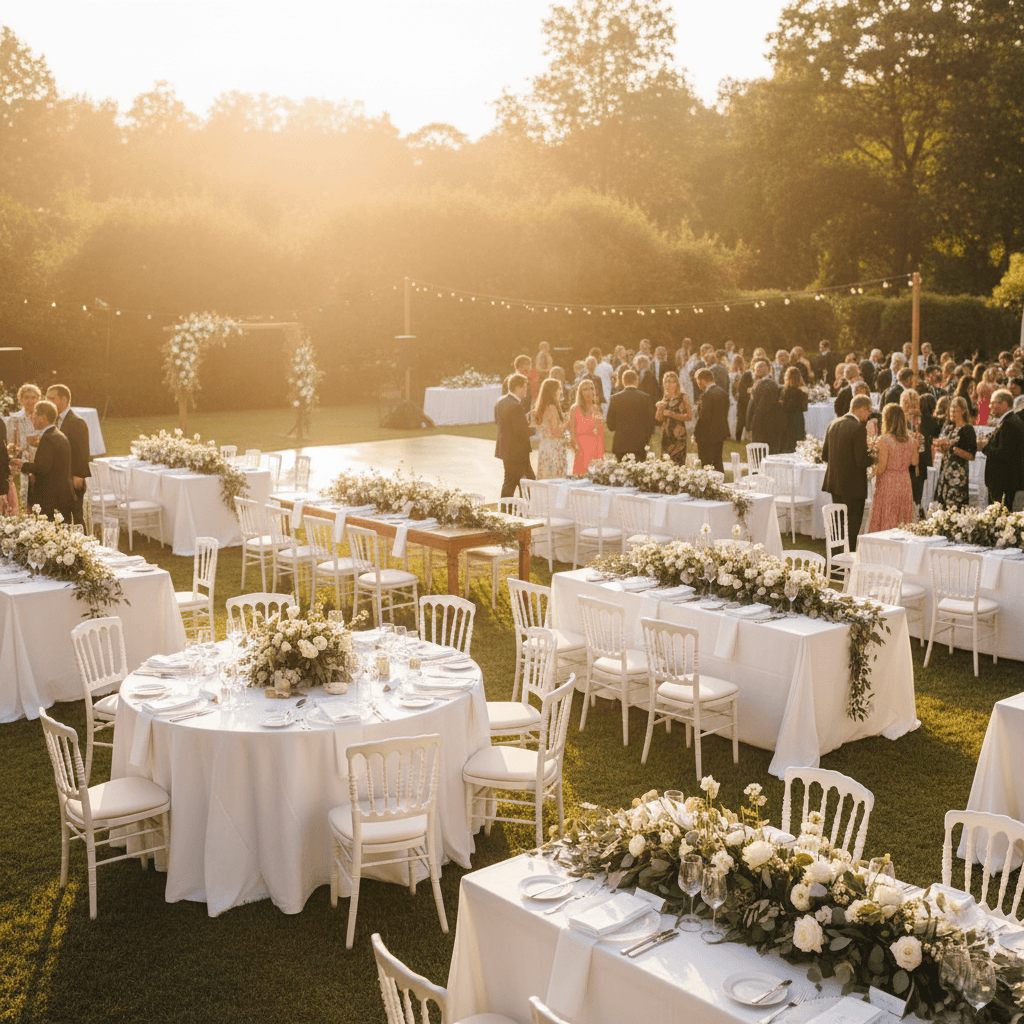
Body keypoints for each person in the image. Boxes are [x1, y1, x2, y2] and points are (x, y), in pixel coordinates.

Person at [9, 400, 75, 523]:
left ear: (43, 417)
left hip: (51, 496)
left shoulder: (48, 438)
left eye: (34, 415)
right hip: (62, 493)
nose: (32, 419)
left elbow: (43, 468)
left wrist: (23, 465)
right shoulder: (59, 435)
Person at [821, 394, 873, 550]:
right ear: (863, 409)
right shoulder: (858, 428)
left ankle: (836, 555)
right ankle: (848, 558)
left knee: (838, 523)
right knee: (852, 524)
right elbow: (861, 461)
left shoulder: (833, 423)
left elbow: (824, 456)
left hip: (834, 482)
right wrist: (874, 455)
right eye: (869, 411)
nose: (869, 415)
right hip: (853, 485)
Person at [868, 404, 919, 532]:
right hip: (904, 480)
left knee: (887, 513)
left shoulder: (884, 440)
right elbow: (914, 461)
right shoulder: (911, 440)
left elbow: (882, 466)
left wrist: (871, 473)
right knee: (902, 514)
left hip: (888, 481)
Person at [46, 384, 91, 525]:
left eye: (52, 398)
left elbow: (83, 452)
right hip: (57, 479)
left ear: (64, 399)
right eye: (47, 398)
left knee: (75, 518)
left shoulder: (76, 422)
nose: (48, 402)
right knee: (60, 518)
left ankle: (82, 544)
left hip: (72, 479)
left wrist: (78, 476)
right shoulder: (53, 421)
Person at [494, 373, 535, 498]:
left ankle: (517, 508)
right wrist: (535, 428)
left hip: (506, 449)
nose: (526, 389)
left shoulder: (500, 401)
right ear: (517, 388)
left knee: (517, 481)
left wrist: (524, 419)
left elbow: (502, 423)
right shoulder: (516, 406)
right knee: (517, 482)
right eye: (524, 386)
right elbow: (521, 431)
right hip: (517, 451)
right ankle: (512, 510)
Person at [932, 396, 977, 510]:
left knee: (955, 505)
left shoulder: (967, 429)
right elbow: (945, 450)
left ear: (963, 411)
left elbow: (971, 456)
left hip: (958, 474)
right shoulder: (949, 427)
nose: (952, 413)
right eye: (951, 411)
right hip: (945, 471)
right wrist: (941, 446)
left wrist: (952, 448)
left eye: (955, 411)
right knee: (942, 504)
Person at [983, 389, 1024, 509]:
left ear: (1004, 404)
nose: (990, 406)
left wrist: (985, 447)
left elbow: (1003, 454)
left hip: (1004, 482)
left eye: (993, 402)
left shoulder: (1009, 423)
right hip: (1003, 482)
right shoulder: (1009, 421)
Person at [606, 369, 655, 463]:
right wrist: (646, 439)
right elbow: (650, 424)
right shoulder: (645, 398)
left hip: (621, 444)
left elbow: (610, 425)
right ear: (636, 381)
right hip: (639, 444)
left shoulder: (615, 398)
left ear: (623, 381)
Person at [569, 379, 606, 475]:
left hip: (595, 447)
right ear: (580, 393)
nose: (589, 392)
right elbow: (572, 431)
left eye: (591, 388)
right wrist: (576, 448)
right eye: (585, 389)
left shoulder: (597, 409)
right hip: (581, 449)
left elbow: (600, 434)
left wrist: (601, 455)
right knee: (581, 477)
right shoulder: (575, 408)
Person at [533, 378, 568, 479]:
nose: (561, 391)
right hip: (554, 448)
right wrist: (568, 423)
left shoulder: (541, 407)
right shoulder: (552, 408)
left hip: (544, 445)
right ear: (553, 391)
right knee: (555, 479)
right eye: (559, 389)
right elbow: (555, 433)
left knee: (545, 477)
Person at [746, 360, 783, 453]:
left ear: (768, 369)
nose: (758, 368)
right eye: (756, 367)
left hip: (764, 426)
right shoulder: (759, 383)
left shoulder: (769, 384)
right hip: (758, 424)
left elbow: (763, 407)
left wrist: (754, 423)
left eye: (761, 366)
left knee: (762, 454)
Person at [655, 371, 691, 465]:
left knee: (678, 463)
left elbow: (689, 416)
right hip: (666, 435)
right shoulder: (665, 399)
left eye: (671, 381)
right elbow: (658, 419)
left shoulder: (683, 397)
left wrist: (671, 414)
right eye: (666, 382)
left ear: (676, 383)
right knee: (665, 464)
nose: (668, 384)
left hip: (678, 436)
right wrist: (659, 409)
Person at [781, 366, 809, 453]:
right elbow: (804, 408)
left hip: (787, 418)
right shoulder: (802, 392)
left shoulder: (785, 390)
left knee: (788, 442)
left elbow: (785, 406)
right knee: (799, 441)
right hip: (798, 418)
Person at [733, 357, 752, 442]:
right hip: (744, 399)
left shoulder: (748, 374)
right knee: (741, 419)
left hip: (748, 399)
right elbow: (740, 387)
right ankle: (738, 438)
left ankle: (748, 437)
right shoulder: (747, 374)